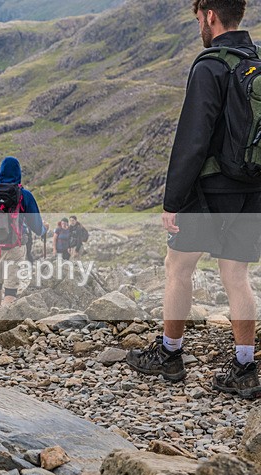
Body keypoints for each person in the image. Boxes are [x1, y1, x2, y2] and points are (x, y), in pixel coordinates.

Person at [127, 0, 261, 399]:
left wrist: (173, 200)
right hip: (252, 187)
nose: (199, 25)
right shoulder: (255, 63)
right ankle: (244, 365)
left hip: (210, 191)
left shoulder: (211, 66)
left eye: (199, 18)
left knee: (177, 267)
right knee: (237, 275)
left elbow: (192, 139)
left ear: (210, 16)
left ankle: (169, 354)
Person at [0, 156, 48, 311]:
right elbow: (36, 226)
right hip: (16, 246)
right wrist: (44, 229)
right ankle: (2, 318)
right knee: (11, 289)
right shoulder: (24, 195)